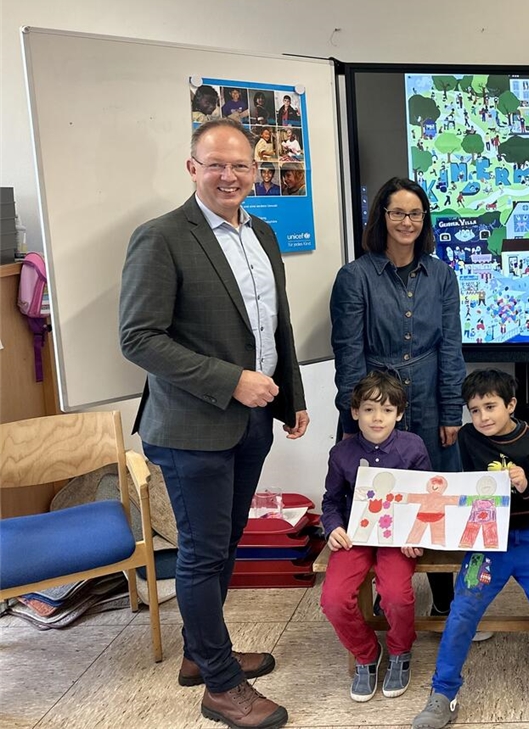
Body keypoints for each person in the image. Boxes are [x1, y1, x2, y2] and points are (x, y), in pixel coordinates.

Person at [119, 117, 309, 729]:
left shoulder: (263, 235)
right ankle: (221, 686)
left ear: (257, 171)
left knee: (224, 545)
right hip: (190, 427)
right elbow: (139, 339)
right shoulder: (162, 237)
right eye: (216, 164)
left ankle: (205, 653)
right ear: (192, 167)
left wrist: (292, 398)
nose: (230, 176)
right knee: (202, 555)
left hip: (250, 422)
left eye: (241, 165)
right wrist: (230, 380)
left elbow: (271, 327)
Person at [330, 177, 466, 627]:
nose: (407, 222)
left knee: (435, 494)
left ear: (424, 220)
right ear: (381, 218)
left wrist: (451, 411)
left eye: (415, 214)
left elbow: (451, 348)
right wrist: (355, 417)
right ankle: (378, 598)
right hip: (373, 401)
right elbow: (348, 352)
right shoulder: (355, 277)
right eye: (397, 213)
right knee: (371, 497)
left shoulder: (442, 275)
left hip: (428, 395)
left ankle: (445, 599)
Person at [411, 369, 529, 729]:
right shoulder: (468, 438)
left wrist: (527, 484)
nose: (482, 417)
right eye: (475, 410)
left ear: (511, 405)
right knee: (463, 610)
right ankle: (443, 693)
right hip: (488, 540)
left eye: (490, 407)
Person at [320, 372, 430, 703]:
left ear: (399, 413)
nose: (377, 418)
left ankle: (400, 651)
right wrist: (332, 527)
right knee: (333, 599)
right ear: (355, 413)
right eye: (368, 410)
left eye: (385, 410)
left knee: (396, 595)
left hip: (398, 538)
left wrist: (416, 532)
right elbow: (331, 501)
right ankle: (367, 653)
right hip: (357, 535)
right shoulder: (342, 453)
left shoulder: (413, 447)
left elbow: (426, 496)